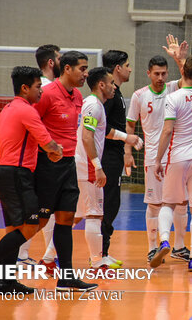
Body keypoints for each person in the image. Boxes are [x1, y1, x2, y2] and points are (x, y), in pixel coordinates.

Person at [0, 67, 63, 294]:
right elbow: (48, 144)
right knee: (32, 226)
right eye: (38, 87)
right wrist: (57, 151)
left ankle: (5, 281)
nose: (41, 92)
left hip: (4, 172)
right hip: (18, 174)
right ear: (25, 88)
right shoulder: (28, 111)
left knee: (14, 229)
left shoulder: (6, 110)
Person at [33, 51, 99, 291]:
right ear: (67, 68)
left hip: (69, 165)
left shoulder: (79, 96)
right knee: (36, 222)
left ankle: (66, 277)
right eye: (82, 68)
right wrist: (43, 152)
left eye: (86, 68)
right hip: (47, 166)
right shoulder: (47, 95)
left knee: (66, 219)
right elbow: (31, 126)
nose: (86, 73)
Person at [126, 37, 188, 263]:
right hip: (153, 157)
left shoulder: (174, 88)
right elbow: (130, 125)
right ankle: (153, 247)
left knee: (181, 203)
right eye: (156, 74)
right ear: (148, 73)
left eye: (164, 73)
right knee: (155, 204)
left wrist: (179, 60)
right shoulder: (139, 96)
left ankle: (180, 246)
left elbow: (189, 79)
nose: (161, 77)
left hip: (178, 156)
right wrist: (128, 152)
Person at [73, 67, 142, 271]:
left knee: (75, 215)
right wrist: (98, 166)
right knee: (95, 215)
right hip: (87, 167)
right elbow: (87, 137)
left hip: (82, 165)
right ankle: (97, 261)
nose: (114, 86)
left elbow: (103, 131)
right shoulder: (94, 106)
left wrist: (126, 137)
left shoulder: (94, 105)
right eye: (111, 83)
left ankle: (49, 256)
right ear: (101, 84)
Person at [152, 55, 192, 272]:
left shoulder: (174, 97)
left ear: (183, 72)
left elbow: (167, 130)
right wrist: (183, 60)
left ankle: (165, 240)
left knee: (168, 203)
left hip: (177, 157)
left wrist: (158, 159)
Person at [17, 44, 62, 266]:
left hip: (44, 155)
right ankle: (21, 255)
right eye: (60, 57)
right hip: (40, 157)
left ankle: (47, 256)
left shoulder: (48, 86)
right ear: (52, 62)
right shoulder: (44, 88)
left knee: (48, 210)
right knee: (39, 210)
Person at [100, 50, 140, 267]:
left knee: (111, 204)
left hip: (114, 155)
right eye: (127, 64)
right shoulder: (109, 94)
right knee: (107, 204)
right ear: (117, 68)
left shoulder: (116, 92)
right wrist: (128, 138)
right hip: (107, 156)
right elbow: (102, 126)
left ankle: (103, 252)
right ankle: (99, 254)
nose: (130, 68)